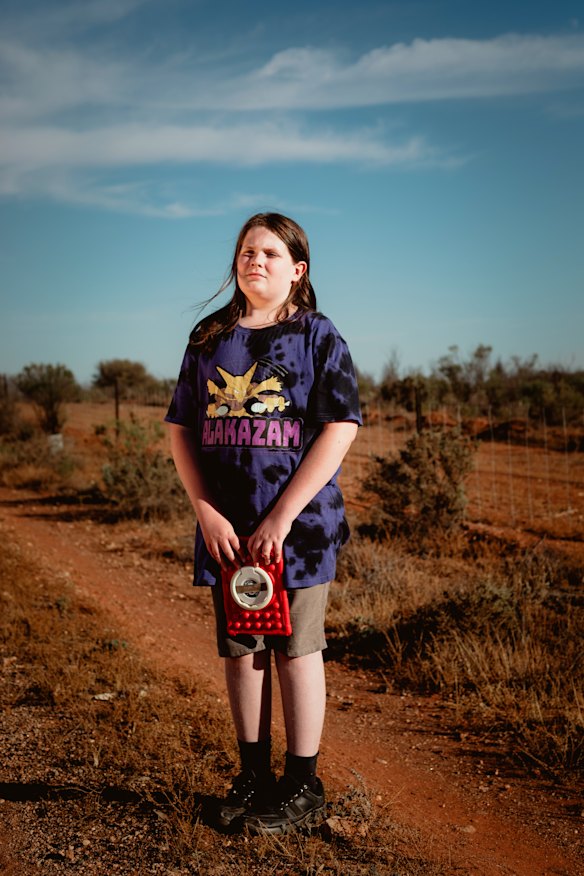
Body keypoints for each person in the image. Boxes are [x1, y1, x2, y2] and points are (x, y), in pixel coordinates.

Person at [165, 212, 361, 834]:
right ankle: (253, 776)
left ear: (297, 270)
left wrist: (282, 515)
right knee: (242, 649)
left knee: (296, 649)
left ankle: (303, 785)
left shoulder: (317, 336)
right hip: (228, 529)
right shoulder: (208, 337)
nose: (256, 262)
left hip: (297, 530)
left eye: (271, 254)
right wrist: (206, 512)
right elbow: (181, 428)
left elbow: (340, 427)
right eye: (248, 252)